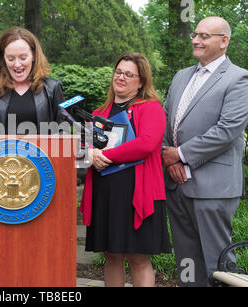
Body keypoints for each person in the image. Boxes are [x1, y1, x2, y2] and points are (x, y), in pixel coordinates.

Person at [161, 16, 248, 287]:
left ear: (223, 41)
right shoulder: (182, 76)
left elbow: (227, 130)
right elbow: (166, 120)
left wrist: (180, 155)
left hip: (213, 187)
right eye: (195, 34)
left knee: (218, 260)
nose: (195, 40)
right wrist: (170, 160)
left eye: (204, 36)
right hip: (177, 184)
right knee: (187, 260)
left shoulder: (239, 79)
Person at [80, 53, 171, 287]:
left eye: (129, 74)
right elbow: (86, 146)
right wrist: (89, 154)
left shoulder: (151, 108)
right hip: (106, 193)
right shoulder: (100, 112)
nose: (121, 77)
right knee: (111, 255)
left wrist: (104, 155)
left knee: (138, 257)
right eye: (118, 72)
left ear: (141, 81)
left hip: (136, 194)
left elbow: (147, 143)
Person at [0, 27, 65, 135]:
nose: (17, 64)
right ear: (3, 58)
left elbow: (63, 130)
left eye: (23, 58)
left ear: (34, 56)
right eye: (11, 59)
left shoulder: (52, 88)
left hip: (42, 152)